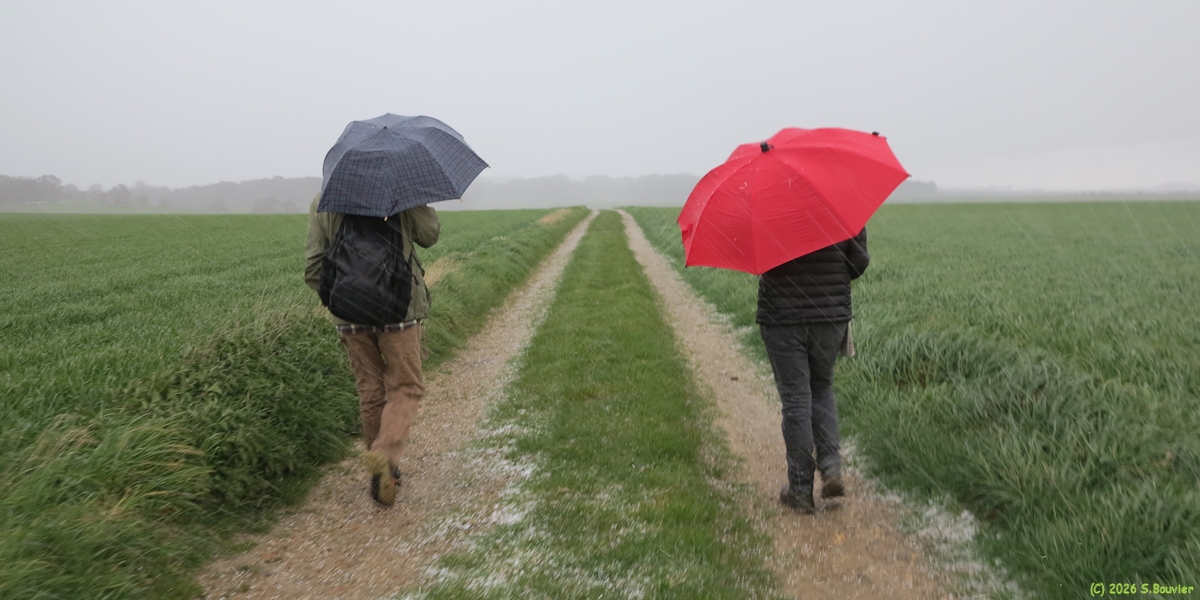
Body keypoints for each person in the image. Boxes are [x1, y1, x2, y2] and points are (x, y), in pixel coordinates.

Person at [304, 195, 440, 506]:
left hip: (349, 316)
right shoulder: (403, 192)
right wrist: (418, 202)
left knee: (370, 390)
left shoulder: (325, 199)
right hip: (398, 312)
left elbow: (313, 268)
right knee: (406, 386)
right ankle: (384, 456)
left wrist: (343, 300)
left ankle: (381, 476)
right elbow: (429, 236)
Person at [757, 227, 869, 514]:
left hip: (782, 315)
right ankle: (831, 467)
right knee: (821, 387)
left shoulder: (767, 206)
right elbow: (858, 262)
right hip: (830, 315)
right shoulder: (840, 201)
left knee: (796, 399)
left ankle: (800, 490)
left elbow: (755, 260)